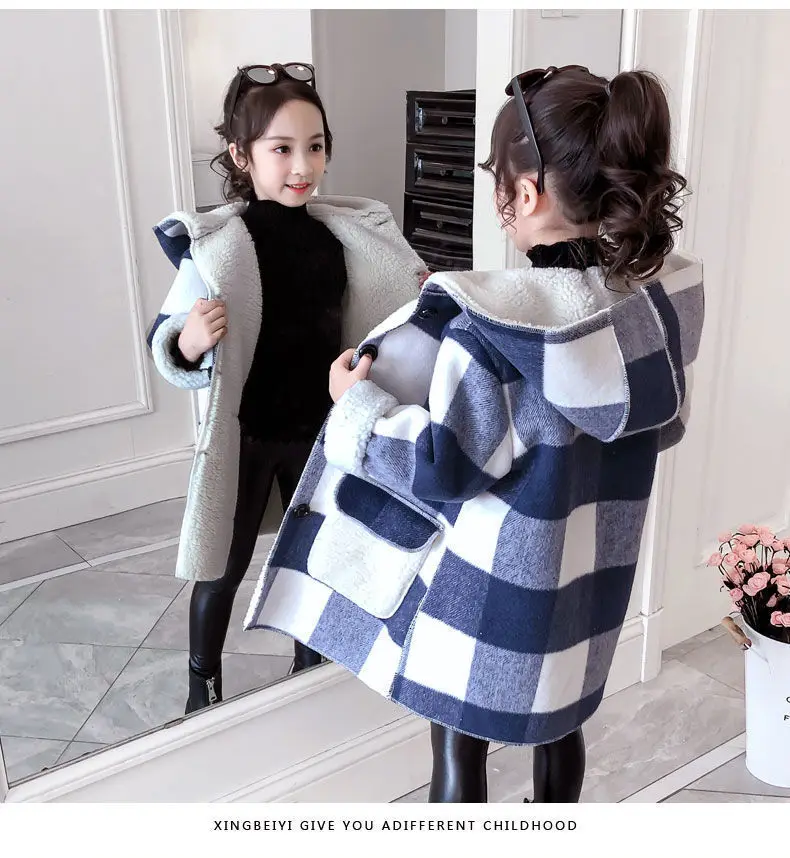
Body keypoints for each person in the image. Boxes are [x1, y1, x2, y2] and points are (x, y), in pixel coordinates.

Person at [244, 65, 704, 801]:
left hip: (487, 606)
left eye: (497, 179)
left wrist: (356, 407)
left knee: (458, 749)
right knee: (561, 728)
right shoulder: (648, 315)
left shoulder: (490, 330)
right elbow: (662, 428)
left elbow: (444, 469)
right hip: (583, 598)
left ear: (527, 193)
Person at [147, 62, 427, 714]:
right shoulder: (220, 246)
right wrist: (188, 341)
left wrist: (418, 292)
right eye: (282, 149)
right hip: (249, 434)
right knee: (224, 563)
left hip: (320, 431)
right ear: (241, 156)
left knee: (314, 556)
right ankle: (201, 683)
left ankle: (310, 663)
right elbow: (165, 338)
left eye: (315, 146)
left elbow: (382, 304)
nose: (303, 166)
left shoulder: (342, 237)